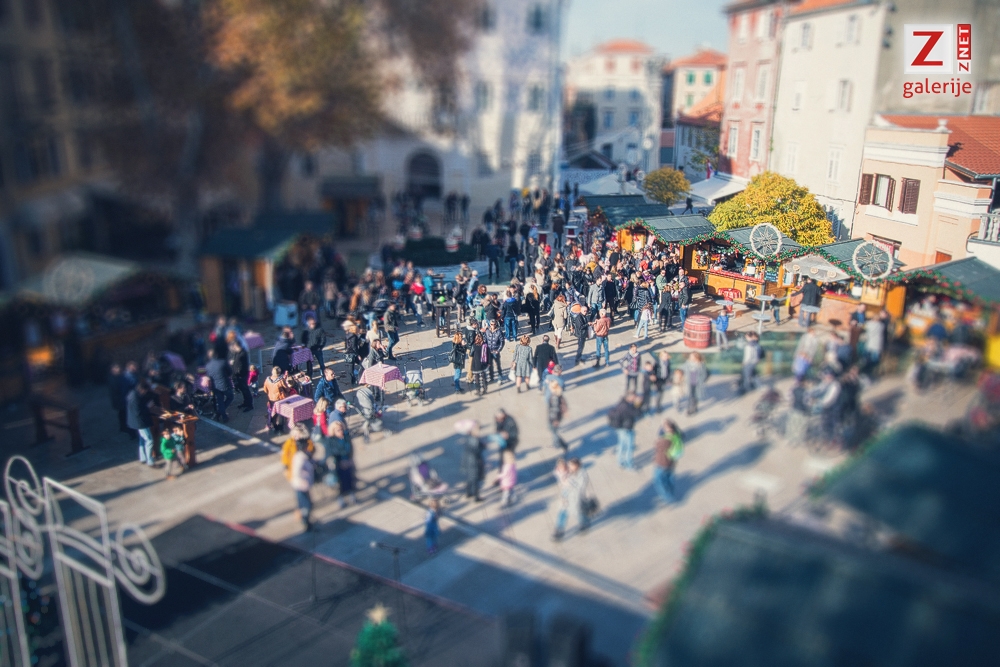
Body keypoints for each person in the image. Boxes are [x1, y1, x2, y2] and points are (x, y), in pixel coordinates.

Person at [552, 458, 592, 541]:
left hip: (576, 496)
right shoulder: (569, 471)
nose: (569, 467)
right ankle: (559, 529)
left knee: (577, 512)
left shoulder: (582, 474)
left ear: (577, 466)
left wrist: (568, 482)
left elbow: (580, 486)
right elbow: (559, 473)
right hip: (566, 494)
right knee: (563, 511)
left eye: (571, 465)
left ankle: (584, 522)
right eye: (569, 465)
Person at [653, 420, 684, 503]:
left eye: (664, 427)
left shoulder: (666, 440)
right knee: (669, 479)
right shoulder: (676, 435)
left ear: (668, 428)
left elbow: (657, 446)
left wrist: (657, 440)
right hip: (672, 461)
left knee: (659, 481)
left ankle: (667, 497)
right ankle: (671, 493)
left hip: (662, 462)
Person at [327, 420, 357, 508]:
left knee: (350, 479)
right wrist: (339, 462)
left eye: (341, 429)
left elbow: (350, 449)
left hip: (347, 461)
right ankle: (341, 498)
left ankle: (352, 495)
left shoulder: (346, 438)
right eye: (338, 430)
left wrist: (350, 459)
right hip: (338, 464)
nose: (341, 432)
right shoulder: (331, 441)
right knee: (339, 483)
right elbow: (332, 453)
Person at [608, 393, 640, 470]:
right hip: (626, 428)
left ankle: (620, 462)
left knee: (621, 445)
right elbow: (636, 413)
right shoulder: (626, 406)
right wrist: (638, 404)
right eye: (633, 397)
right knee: (628, 447)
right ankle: (628, 464)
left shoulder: (622, 403)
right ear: (629, 397)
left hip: (621, 428)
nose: (634, 399)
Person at [289, 439, 315, 531]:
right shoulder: (299, 458)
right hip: (300, 485)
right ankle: (306, 522)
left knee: (307, 504)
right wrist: (302, 480)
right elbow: (296, 472)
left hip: (304, 484)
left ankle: (306, 520)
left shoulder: (304, 455)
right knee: (305, 505)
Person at [205, 347, 234, 422]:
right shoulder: (223, 362)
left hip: (215, 386)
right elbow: (230, 372)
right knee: (230, 397)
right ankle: (220, 412)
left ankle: (224, 416)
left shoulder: (207, 366)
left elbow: (207, 376)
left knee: (220, 401)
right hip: (224, 385)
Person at [459, 421, 485, 501]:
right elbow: (475, 451)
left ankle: (468, 493)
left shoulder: (469, 438)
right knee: (475, 479)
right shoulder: (474, 439)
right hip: (474, 463)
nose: (478, 432)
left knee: (470, 479)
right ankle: (476, 497)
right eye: (477, 430)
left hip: (469, 462)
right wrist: (482, 446)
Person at [263, 367, 291, 432]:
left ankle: (274, 426)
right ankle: (280, 428)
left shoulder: (267, 379)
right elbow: (287, 389)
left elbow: (265, 390)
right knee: (281, 413)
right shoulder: (281, 380)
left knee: (273, 412)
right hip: (280, 399)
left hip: (271, 399)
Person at [229, 341, 253, 412]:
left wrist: (237, 371)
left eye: (234, 347)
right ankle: (245, 402)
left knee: (245, 390)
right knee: (243, 390)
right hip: (238, 376)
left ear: (237, 346)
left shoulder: (242, 354)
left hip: (242, 376)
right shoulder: (237, 353)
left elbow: (241, 366)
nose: (233, 348)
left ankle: (250, 405)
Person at [547, 381, 568, 451]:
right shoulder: (557, 394)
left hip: (554, 417)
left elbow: (555, 409)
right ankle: (561, 444)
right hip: (555, 417)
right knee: (553, 431)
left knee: (554, 431)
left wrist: (555, 420)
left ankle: (559, 445)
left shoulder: (555, 397)